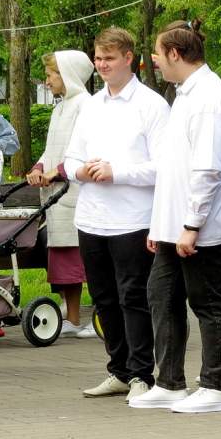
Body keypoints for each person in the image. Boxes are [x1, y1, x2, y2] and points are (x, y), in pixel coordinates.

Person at [128, 20, 221, 414]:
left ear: (175, 54)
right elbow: (174, 166)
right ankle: (170, 381)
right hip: (173, 224)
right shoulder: (185, 94)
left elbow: (207, 170)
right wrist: (162, 224)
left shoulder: (209, 99)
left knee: (207, 301)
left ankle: (216, 386)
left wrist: (191, 225)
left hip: (200, 225)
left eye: (158, 54)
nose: (155, 62)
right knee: (161, 295)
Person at [64, 27, 169, 401]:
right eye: (98, 58)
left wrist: (116, 172)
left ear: (129, 58)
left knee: (133, 297)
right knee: (104, 298)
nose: (102, 64)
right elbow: (71, 157)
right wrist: (81, 170)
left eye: (109, 58)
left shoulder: (152, 105)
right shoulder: (91, 105)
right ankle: (119, 369)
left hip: (132, 220)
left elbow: (163, 166)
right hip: (91, 217)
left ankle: (143, 374)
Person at [27, 50, 96, 337]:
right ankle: (72, 316)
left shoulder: (86, 106)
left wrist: (59, 170)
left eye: (51, 74)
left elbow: (86, 149)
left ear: (67, 74)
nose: (47, 80)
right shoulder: (59, 108)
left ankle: (95, 318)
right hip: (58, 195)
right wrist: (40, 166)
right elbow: (51, 147)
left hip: (76, 192)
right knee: (64, 257)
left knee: (85, 260)